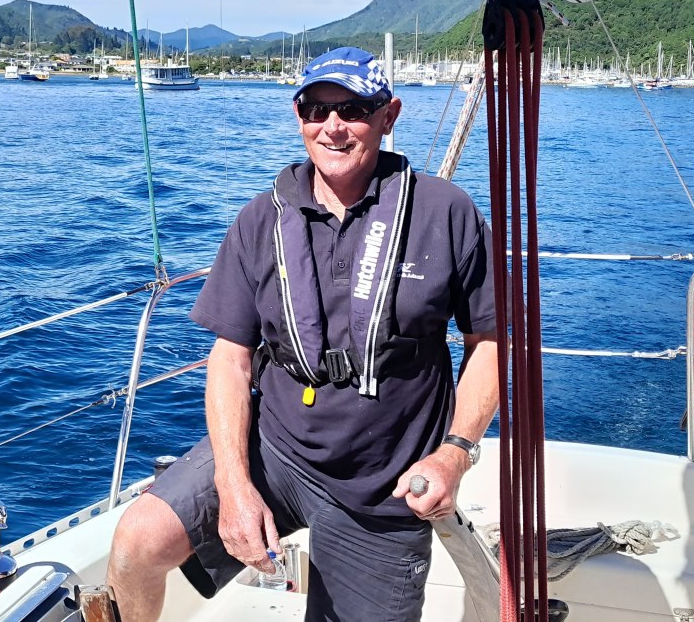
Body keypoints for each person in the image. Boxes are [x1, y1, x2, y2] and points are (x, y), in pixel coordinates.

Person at [108, 46, 500, 622]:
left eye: (353, 110)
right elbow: (231, 359)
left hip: (383, 488)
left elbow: (491, 343)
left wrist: (454, 454)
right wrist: (234, 485)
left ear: (388, 116)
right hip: (276, 451)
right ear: (299, 117)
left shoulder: (445, 212)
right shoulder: (260, 220)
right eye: (317, 110)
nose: (332, 126)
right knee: (136, 543)